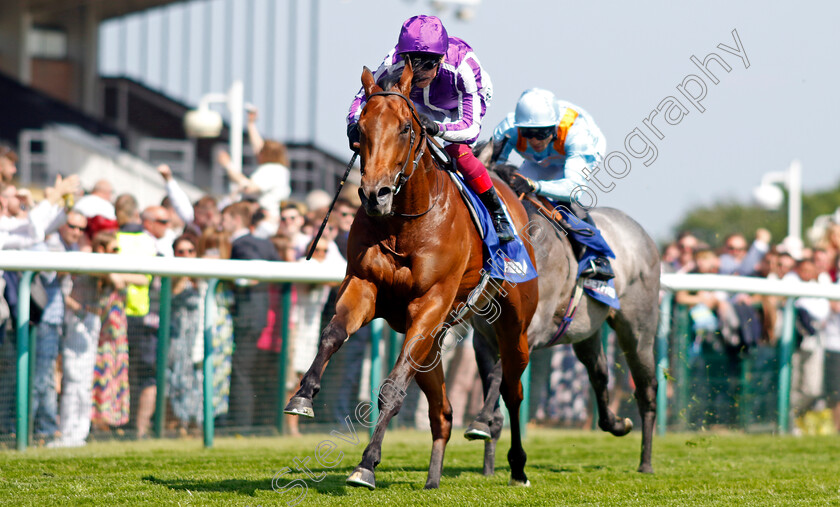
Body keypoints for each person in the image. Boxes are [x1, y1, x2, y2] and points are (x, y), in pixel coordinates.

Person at [346, 14, 514, 241]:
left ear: (442, 58)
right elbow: (362, 97)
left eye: (428, 64)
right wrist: (353, 126)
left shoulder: (464, 67)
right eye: (412, 63)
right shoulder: (391, 62)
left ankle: (497, 212)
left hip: (458, 108)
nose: (419, 72)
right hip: (420, 105)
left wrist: (436, 128)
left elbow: (470, 128)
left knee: (459, 153)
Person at [492, 88, 613, 280]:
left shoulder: (577, 135)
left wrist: (536, 186)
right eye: (527, 133)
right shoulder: (508, 129)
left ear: (554, 128)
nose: (533, 140)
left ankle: (597, 258)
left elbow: (574, 190)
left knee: (566, 203)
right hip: (539, 161)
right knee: (510, 192)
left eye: (541, 133)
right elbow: (490, 168)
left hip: (576, 156)